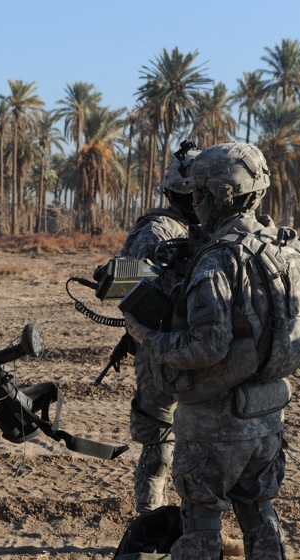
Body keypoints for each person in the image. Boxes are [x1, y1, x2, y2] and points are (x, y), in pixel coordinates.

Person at [121, 141, 300, 560]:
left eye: (202, 191)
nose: (197, 201)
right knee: (260, 512)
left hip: (215, 419)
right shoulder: (287, 250)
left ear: (221, 194)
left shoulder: (217, 261)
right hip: (267, 412)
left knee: (202, 518)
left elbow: (207, 344)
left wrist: (148, 338)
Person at [121, 151, 199, 513]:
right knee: (159, 444)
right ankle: (151, 521)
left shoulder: (204, 230)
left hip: (197, 351)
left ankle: (196, 524)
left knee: (201, 443)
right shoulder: (155, 231)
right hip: (159, 354)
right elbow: (128, 290)